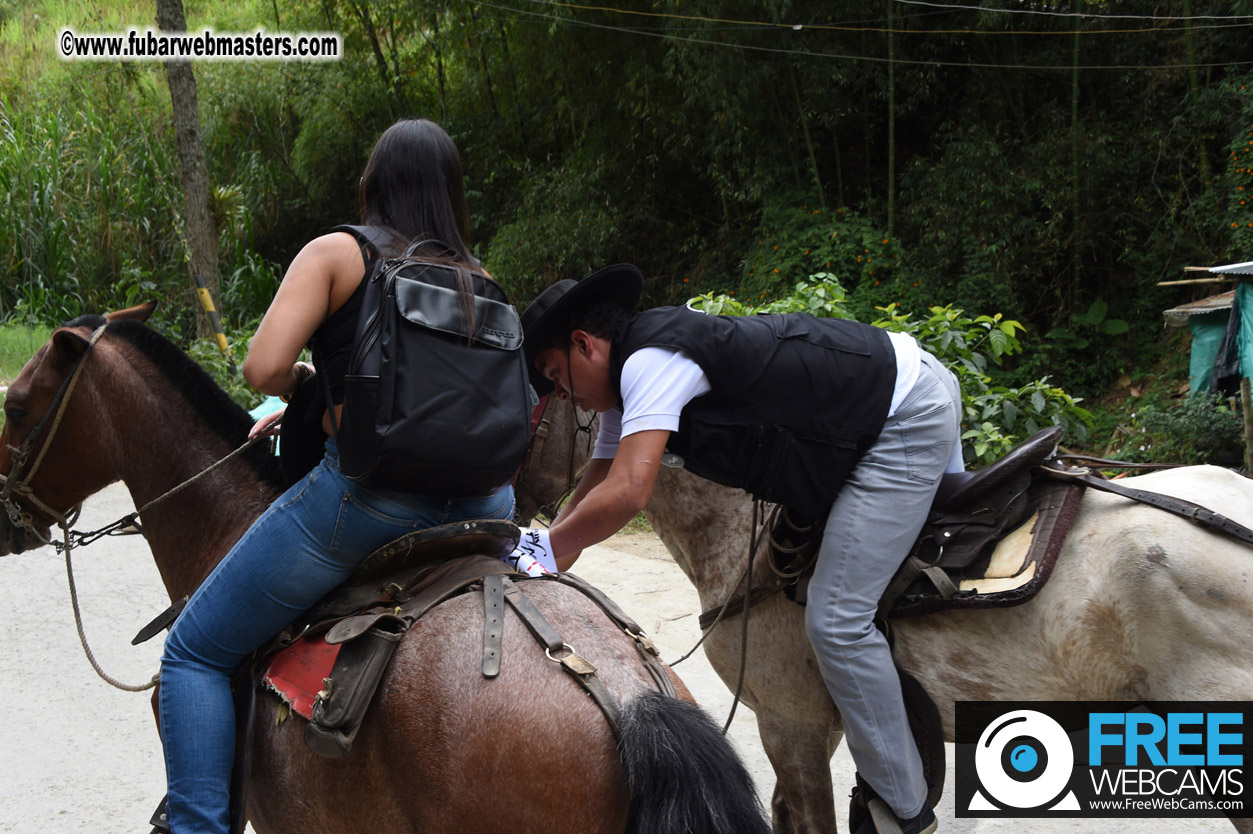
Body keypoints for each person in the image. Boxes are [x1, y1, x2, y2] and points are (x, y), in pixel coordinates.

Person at [509, 265, 964, 834]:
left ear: (583, 344)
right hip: (906, 378)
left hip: (903, 411)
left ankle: (903, 812)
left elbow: (628, 490)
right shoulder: (625, 388)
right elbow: (598, 478)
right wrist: (538, 547)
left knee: (838, 621)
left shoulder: (651, 363)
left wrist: (547, 551)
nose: (562, 394)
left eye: (556, 376)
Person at [158, 119, 517, 834]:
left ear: (374, 184)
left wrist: (303, 385)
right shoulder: (482, 280)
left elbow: (261, 368)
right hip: (487, 504)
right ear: (452, 194)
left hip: (374, 501)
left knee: (193, 653)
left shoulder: (340, 252)